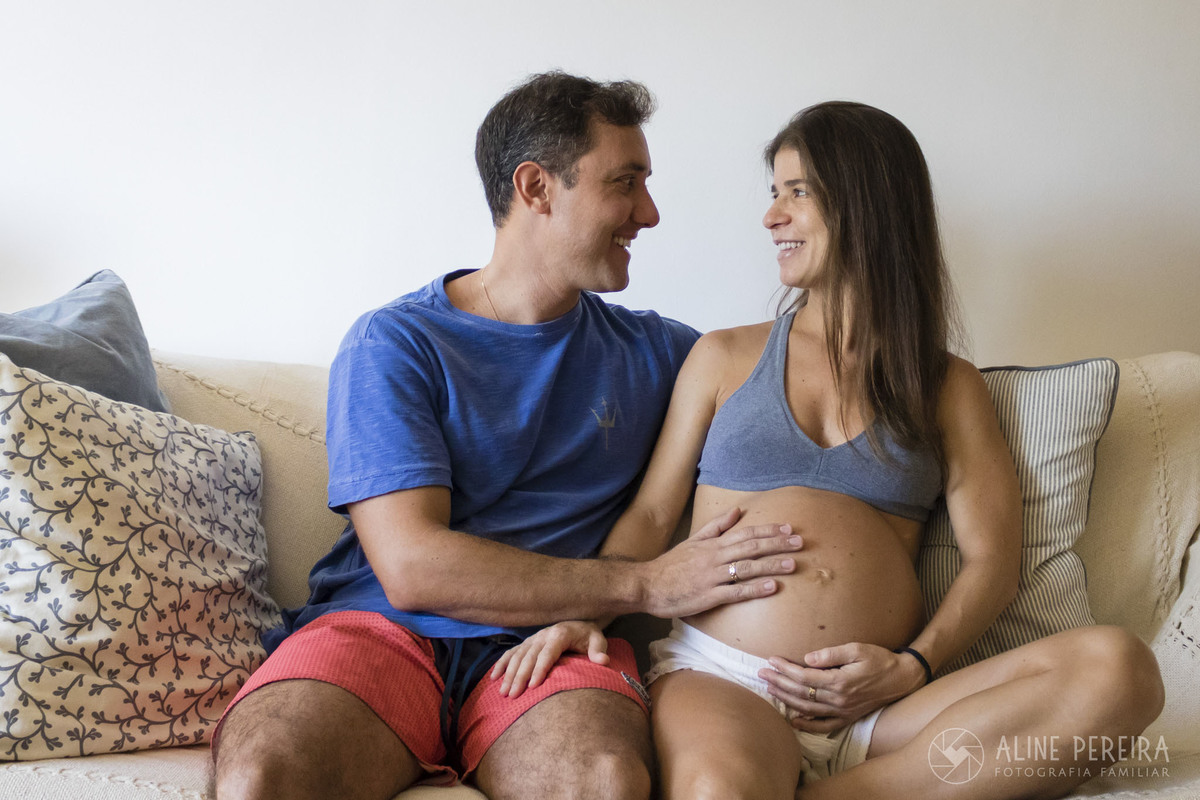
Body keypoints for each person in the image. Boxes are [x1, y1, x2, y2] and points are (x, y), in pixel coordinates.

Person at [493, 101, 1164, 799]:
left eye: (797, 192)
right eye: (773, 194)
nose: (771, 216)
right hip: (724, 679)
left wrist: (913, 667)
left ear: (867, 203)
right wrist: (582, 611)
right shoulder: (723, 357)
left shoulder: (947, 386)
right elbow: (652, 515)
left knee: (1120, 669)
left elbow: (993, 560)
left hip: (883, 708)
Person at [210, 71, 805, 800]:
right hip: (379, 629)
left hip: (557, 645)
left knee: (604, 782)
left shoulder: (662, 356)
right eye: (626, 182)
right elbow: (413, 566)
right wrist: (645, 584)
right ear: (536, 187)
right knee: (260, 775)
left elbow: (821, 365)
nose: (648, 213)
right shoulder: (396, 342)